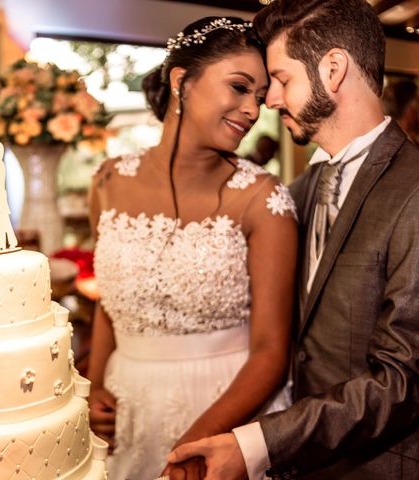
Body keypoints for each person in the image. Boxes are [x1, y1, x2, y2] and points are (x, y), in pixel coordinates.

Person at [168, 1, 419, 479]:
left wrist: (258, 443)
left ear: (332, 69)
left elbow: (402, 381)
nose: (270, 100)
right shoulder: (298, 191)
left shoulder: (414, 189)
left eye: (281, 79)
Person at [87, 16, 298, 480]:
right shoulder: (107, 182)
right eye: (240, 87)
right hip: (129, 408)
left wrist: (198, 440)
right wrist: (95, 384)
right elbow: (110, 301)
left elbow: (271, 351)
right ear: (182, 81)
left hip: (226, 408)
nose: (253, 109)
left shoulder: (263, 199)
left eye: (260, 97)